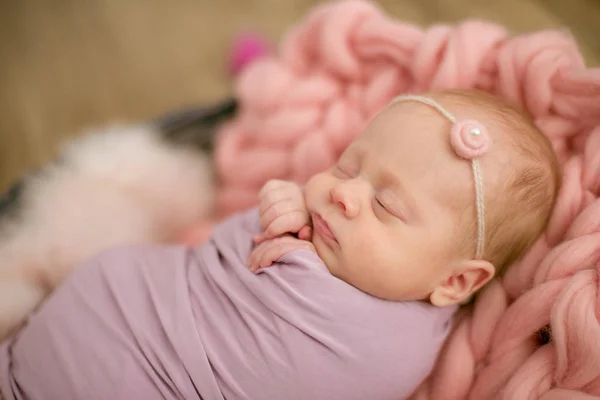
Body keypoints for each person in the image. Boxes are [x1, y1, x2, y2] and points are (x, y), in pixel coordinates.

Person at [0, 89, 560, 400]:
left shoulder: (399, 346)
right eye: (347, 166)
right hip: (95, 321)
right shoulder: (326, 240)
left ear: (455, 282)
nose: (344, 194)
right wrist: (271, 218)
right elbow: (221, 257)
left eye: (387, 206)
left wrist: (283, 245)